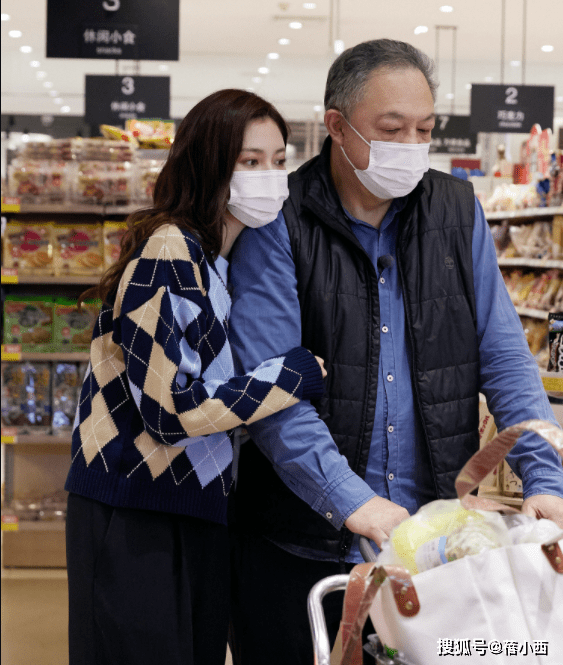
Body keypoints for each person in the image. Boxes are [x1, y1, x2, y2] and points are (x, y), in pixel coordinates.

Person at [227, 39, 563, 664]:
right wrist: (354, 503)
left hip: (436, 552)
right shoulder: (279, 220)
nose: (411, 144)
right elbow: (272, 392)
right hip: (301, 545)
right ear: (337, 126)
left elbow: (505, 356)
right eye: (392, 128)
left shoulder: (456, 209)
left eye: (425, 129)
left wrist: (547, 478)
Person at [64, 89, 326, 665]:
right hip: (136, 508)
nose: (270, 176)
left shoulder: (215, 260)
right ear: (208, 163)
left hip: (189, 505)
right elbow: (169, 411)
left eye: (279, 160)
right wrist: (292, 375)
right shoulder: (170, 249)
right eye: (250, 161)